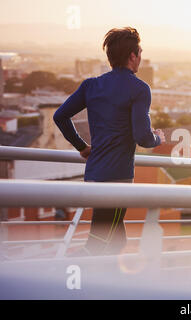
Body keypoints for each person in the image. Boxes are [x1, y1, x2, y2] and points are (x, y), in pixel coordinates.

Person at [54, 27, 165, 256]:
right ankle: (70, 280)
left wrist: (82, 147)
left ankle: (108, 286)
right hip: (117, 179)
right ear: (133, 56)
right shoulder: (139, 89)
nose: (141, 58)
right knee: (100, 241)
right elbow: (143, 137)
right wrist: (158, 139)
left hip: (94, 174)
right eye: (140, 53)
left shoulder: (91, 85)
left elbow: (60, 116)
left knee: (115, 239)